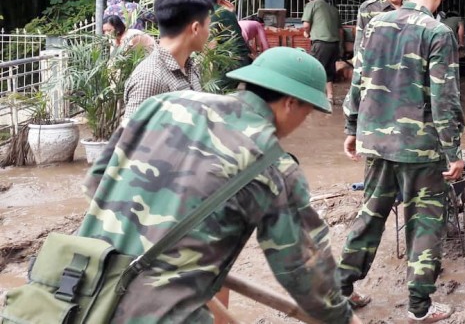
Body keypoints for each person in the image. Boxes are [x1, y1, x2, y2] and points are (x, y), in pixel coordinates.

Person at [78, 47, 360, 324]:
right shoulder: (273, 166)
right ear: (290, 103)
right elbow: (302, 269)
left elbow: (97, 182)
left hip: (76, 291)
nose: (303, 122)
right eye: (307, 112)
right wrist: (341, 316)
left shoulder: (162, 104)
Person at [339, 0, 464, 324]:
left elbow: (358, 78)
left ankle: (342, 288)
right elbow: (445, 99)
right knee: (424, 222)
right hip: (421, 149)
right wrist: (453, 152)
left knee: (370, 216)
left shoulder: (375, 24)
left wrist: (351, 127)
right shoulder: (438, 33)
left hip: (376, 142)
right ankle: (419, 307)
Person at [123, 0, 209, 119]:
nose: (209, 33)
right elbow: (132, 137)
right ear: (196, 28)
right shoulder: (149, 77)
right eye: (208, 26)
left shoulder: (190, 67)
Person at [203, 0, 252, 90]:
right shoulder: (226, 12)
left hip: (231, 64)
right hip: (243, 59)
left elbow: (210, 47)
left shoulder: (213, 17)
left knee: (211, 91)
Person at [302, 0, 343, 103]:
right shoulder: (333, 9)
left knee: (314, 69)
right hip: (334, 45)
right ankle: (330, 97)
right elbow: (340, 30)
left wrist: (307, 33)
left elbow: (306, 25)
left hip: (321, 43)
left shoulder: (312, 4)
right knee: (328, 71)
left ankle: (311, 97)